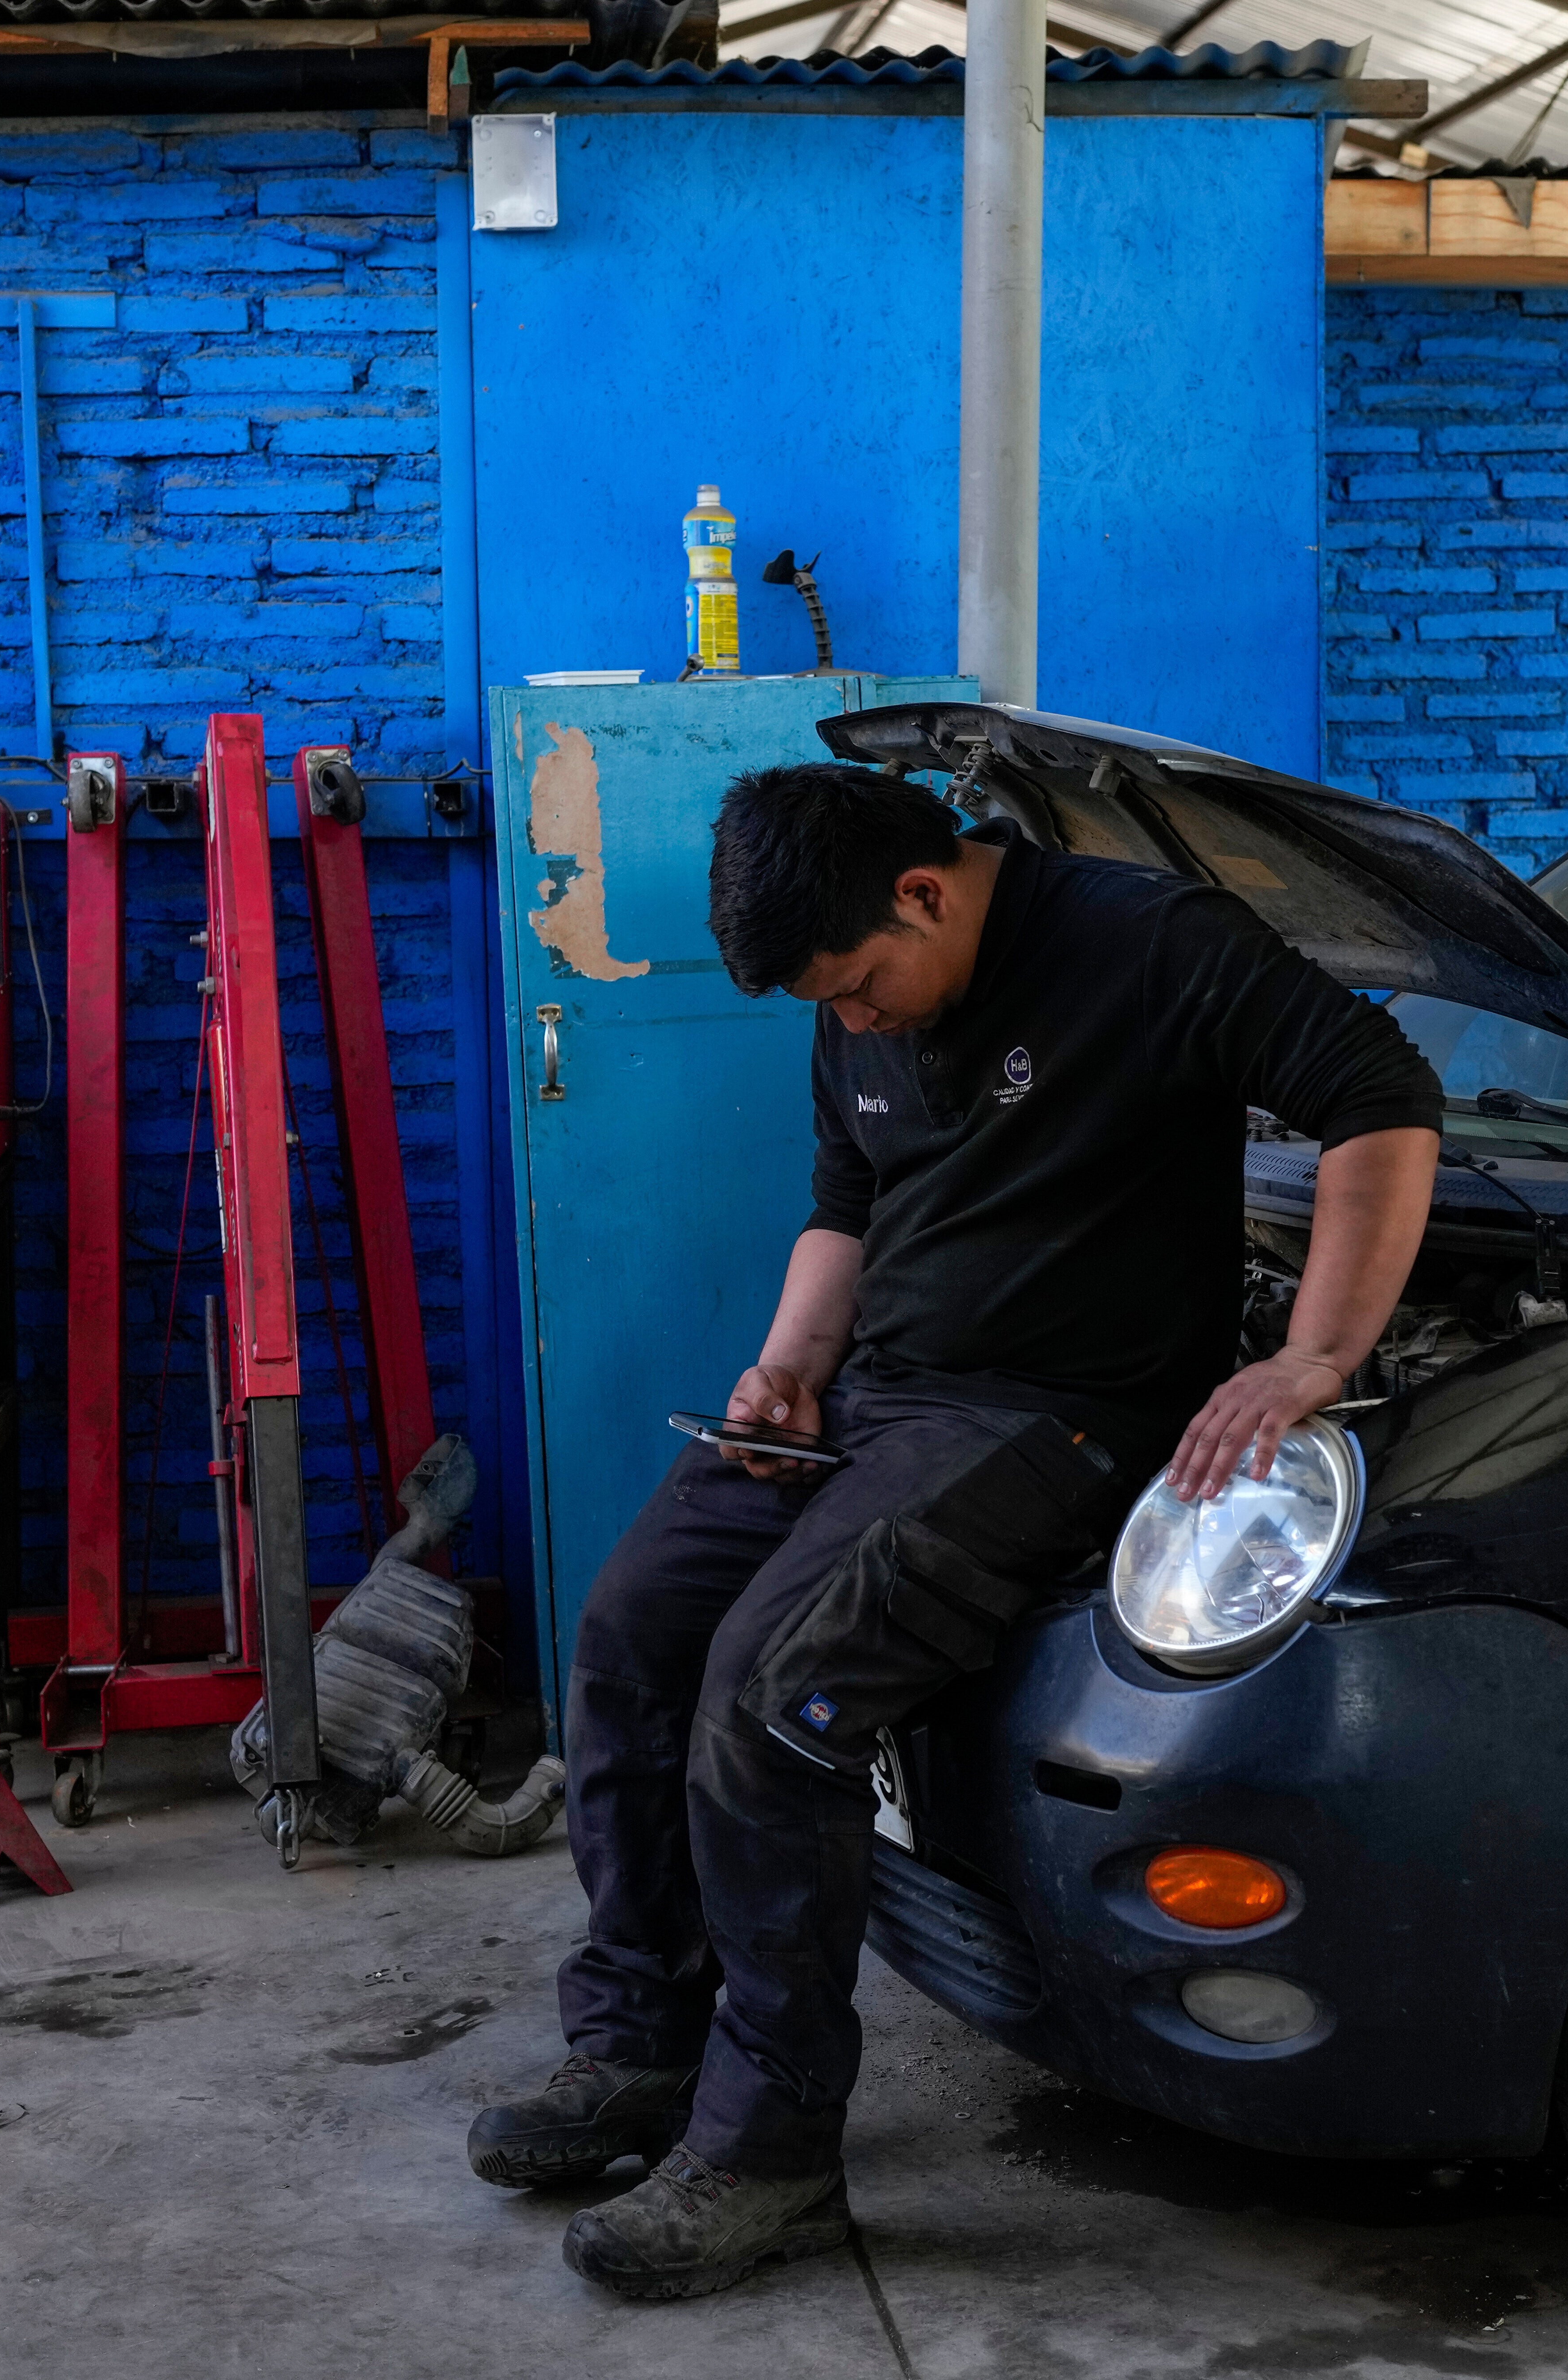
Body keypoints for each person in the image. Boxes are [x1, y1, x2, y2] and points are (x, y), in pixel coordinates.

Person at [470, 760, 1444, 2300]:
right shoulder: (857, 992)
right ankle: (636, 2052)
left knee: (768, 1696)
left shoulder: (1156, 945)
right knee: (631, 1635)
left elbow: (1381, 1101)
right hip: (873, 1399)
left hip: (1056, 1415)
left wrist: (1311, 1357)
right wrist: (791, 1365)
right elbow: (847, 1201)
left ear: (926, 892)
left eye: (862, 987)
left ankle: (772, 2149)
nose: (853, 1021)